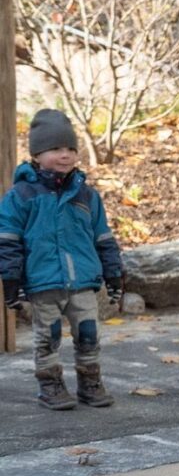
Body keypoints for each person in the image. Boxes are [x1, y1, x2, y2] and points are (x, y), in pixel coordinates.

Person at [0, 109, 124, 410]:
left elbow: (103, 238)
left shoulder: (86, 195)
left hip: (82, 282)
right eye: (56, 149)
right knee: (48, 336)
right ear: (37, 154)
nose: (65, 155)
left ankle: (90, 382)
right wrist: (11, 283)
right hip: (44, 282)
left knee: (88, 334)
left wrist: (115, 275)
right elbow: (8, 242)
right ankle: (50, 384)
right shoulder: (21, 196)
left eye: (70, 148)